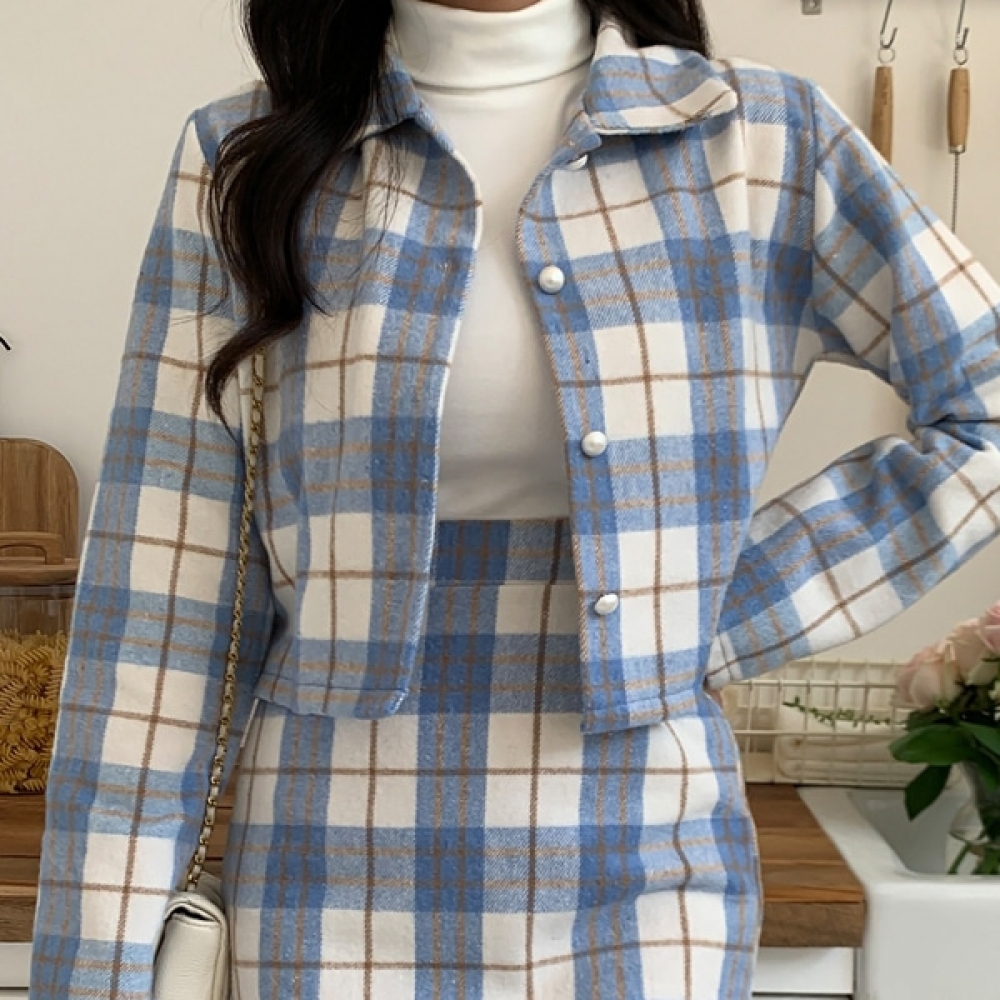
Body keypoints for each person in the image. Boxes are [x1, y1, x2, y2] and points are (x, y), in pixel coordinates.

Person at [27, 0, 1000, 997]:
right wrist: (95, 966)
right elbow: (161, 606)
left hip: (648, 876)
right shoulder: (245, 157)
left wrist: (717, 608)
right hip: (330, 883)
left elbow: (986, 405)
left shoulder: (762, 142)